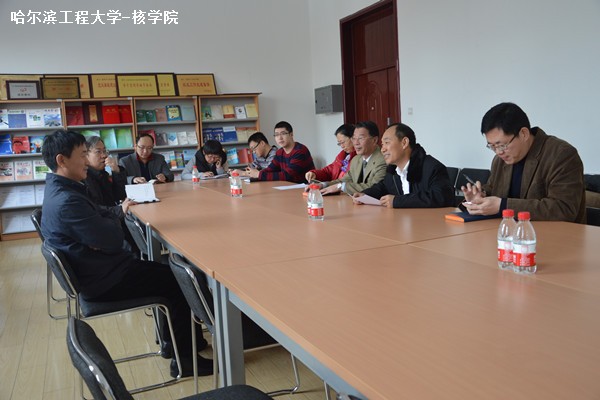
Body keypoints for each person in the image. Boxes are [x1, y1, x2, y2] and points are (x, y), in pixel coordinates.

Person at [40, 130, 212, 378]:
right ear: (61, 160)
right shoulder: (67, 200)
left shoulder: (60, 189)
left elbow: (101, 218)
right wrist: (107, 228)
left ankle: (172, 346)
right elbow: (113, 238)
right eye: (82, 155)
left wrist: (102, 229)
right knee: (180, 280)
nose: (87, 160)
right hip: (105, 279)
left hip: (100, 269)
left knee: (170, 274)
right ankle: (185, 360)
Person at [462, 102, 585, 222]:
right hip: (509, 232)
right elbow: (493, 191)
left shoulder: (561, 155)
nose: (498, 152)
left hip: (556, 233)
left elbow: (563, 209)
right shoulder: (499, 160)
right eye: (492, 146)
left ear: (524, 134)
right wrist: (479, 198)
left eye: (502, 145)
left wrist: (503, 206)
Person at [353, 123, 454, 208]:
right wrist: (365, 195)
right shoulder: (393, 170)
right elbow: (383, 187)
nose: (383, 149)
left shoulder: (432, 167)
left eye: (387, 142)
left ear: (404, 143)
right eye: (382, 144)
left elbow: (441, 196)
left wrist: (397, 201)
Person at [319, 121, 386, 195]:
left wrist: (341, 187)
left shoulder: (383, 160)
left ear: (374, 140)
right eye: (354, 138)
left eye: (360, 138)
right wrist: (323, 185)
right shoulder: (356, 160)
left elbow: (374, 188)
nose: (356, 143)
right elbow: (345, 180)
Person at [246, 121, 315, 183]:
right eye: (276, 135)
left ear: (291, 134)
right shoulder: (280, 152)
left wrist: (259, 174)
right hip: (288, 186)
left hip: (305, 188)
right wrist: (255, 174)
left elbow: (288, 175)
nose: (280, 138)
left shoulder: (300, 150)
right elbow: (270, 169)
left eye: (283, 133)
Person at [84, 136, 127, 207]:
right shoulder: (84, 177)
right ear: (86, 155)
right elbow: (97, 208)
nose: (104, 155)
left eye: (104, 151)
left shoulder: (102, 173)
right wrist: (120, 210)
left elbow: (119, 195)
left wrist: (116, 171)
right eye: (98, 152)